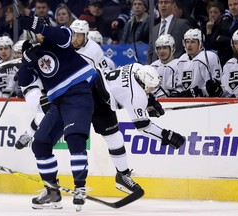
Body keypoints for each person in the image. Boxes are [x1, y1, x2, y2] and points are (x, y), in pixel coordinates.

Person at [17, 13, 98, 210]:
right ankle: (52, 191)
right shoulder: (37, 53)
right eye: (36, 33)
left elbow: (62, 36)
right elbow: (24, 81)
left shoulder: (61, 37)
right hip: (58, 103)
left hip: (79, 94)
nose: (39, 35)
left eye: (41, 30)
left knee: (75, 140)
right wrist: (26, 61)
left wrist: (37, 25)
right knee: (40, 144)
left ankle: (80, 187)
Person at [70, 19, 143, 195]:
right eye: (73, 34)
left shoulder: (93, 51)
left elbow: (106, 78)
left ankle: (123, 176)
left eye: (79, 35)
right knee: (75, 141)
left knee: (114, 137)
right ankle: (75, 185)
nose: (75, 39)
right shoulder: (65, 47)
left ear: (86, 36)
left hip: (96, 98)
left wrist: (114, 98)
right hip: (74, 100)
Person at [99, 63, 185, 150]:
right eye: (152, 87)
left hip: (99, 79)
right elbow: (143, 127)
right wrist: (166, 135)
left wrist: (149, 101)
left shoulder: (137, 68)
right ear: (144, 85)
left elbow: (136, 87)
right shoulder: (136, 97)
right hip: (97, 100)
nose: (153, 90)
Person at [174, 28, 223, 97]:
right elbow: (179, 85)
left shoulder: (208, 57)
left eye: (193, 42)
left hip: (203, 101)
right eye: (187, 42)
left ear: (200, 43)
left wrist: (199, 92)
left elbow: (214, 88)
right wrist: (178, 93)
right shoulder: (182, 59)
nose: (189, 45)